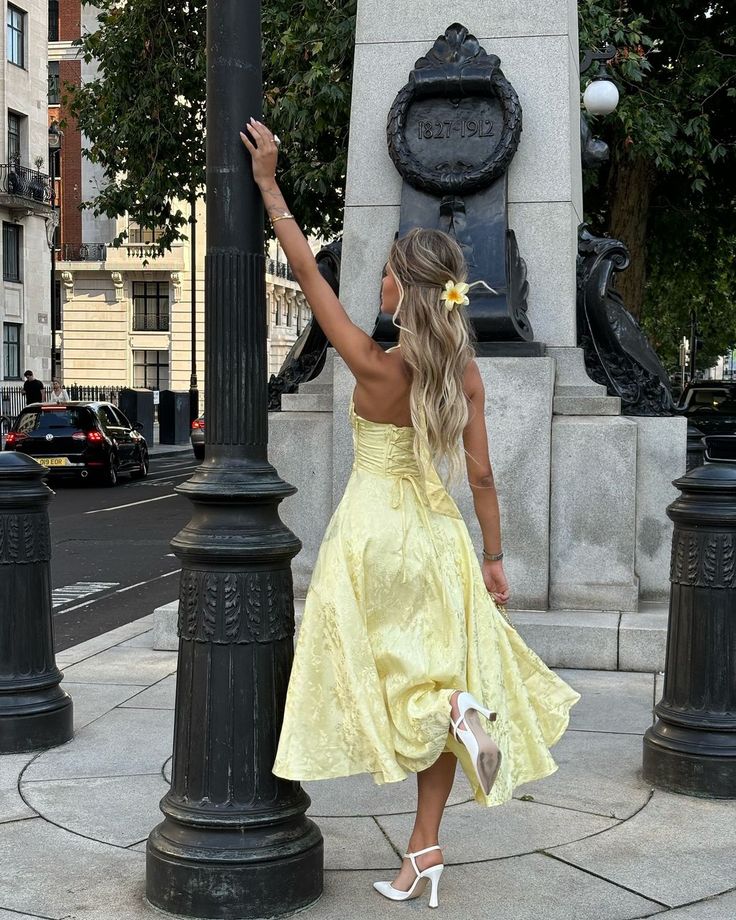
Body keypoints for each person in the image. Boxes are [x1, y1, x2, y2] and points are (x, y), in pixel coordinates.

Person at [241, 119, 580, 909]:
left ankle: (440, 768)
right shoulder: (461, 372)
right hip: (437, 538)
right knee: (436, 679)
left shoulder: (368, 362)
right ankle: (428, 830)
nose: (379, 284)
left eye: (389, 275)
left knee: (374, 676)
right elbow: (484, 474)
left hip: (370, 538)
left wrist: (268, 185)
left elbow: (302, 269)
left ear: (407, 289)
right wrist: (496, 557)